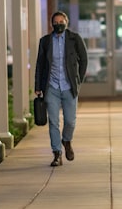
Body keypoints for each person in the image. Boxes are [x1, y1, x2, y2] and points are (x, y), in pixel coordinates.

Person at [34, 10, 89, 167]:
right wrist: (38, 86)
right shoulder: (45, 41)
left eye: (61, 22)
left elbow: (84, 59)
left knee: (70, 121)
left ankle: (66, 140)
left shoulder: (74, 39)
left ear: (67, 22)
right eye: (56, 22)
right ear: (52, 24)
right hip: (51, 86)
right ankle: (57, 154)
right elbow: (40, 64)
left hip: (69, 86)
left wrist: (78, 79)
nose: (59, 24)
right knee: (53, 122)